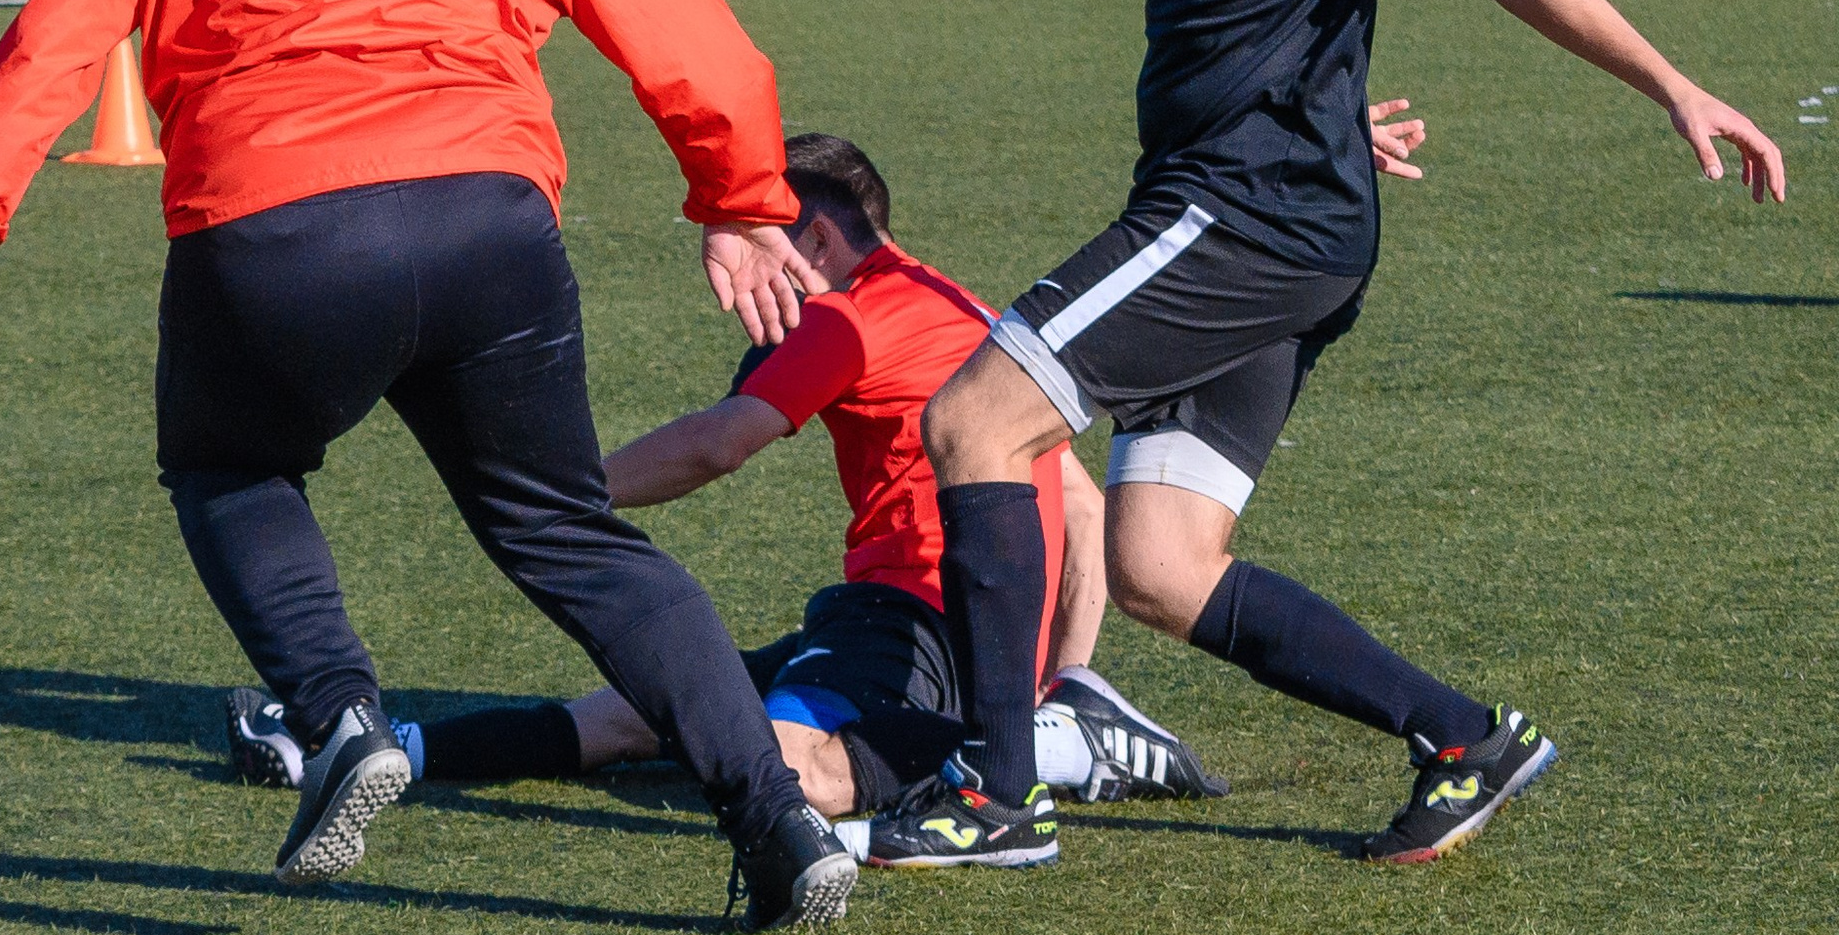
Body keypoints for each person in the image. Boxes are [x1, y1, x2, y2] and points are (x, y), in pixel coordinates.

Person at [0, 0, 859, 932]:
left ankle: (336, 717)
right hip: (491, 228)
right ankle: (779, 822)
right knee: (570, 535)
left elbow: (65, 28)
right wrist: (737, 200)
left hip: (277, 232)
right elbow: (686, 21)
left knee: (230, 469)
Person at [885, 0, 1780, 875]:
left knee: (973, 418)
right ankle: (1463, 736)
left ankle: (996, 789)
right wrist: (1326, 105)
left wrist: (1673, 86)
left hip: (1248, 217)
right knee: (1159, 565)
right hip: (1260, 187)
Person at [223, 133, 1230, 834]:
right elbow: (1081, 503)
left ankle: (1046, 746)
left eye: (762, 240)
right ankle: (378, 751)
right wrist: (1058, 666)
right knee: (635, 712)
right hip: (955, 627)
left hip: (912, 616)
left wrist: (559, 498)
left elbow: (717, 444)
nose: (747, 269)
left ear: (821, 243)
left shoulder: (844, 316)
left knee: (787, 769)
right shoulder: (956, 302)